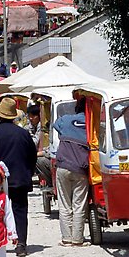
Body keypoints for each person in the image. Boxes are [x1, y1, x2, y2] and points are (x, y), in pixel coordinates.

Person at [0, 97, 37, 257]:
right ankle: (21, 243)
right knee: (20, 211)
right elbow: (32, 156)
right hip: (20, 179)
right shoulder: (24, 134)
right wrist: (29, 171)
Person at [52, 96, 91, 247]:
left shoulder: (66, 119)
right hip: (81, 169)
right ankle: (77, 239)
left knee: (64, 203)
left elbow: (56, 125)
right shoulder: (91, 124)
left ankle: (66, 239)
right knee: (79, 205)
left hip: (63, 167)